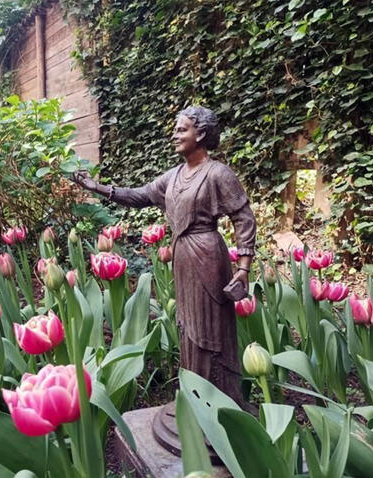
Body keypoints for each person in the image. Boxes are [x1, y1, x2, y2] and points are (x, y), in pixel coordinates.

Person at [74, 106, 256, 404]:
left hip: (208, 255)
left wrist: (243, 268)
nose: (174, 134)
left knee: (209, 328)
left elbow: (244, 217)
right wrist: (99, 188)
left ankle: (219, 400)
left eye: (182, 129)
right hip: (183, 254)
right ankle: (193, 395)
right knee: (187, 325)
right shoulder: (173, 176)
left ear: (201, 134)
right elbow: (140, 195)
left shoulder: (218, 174)